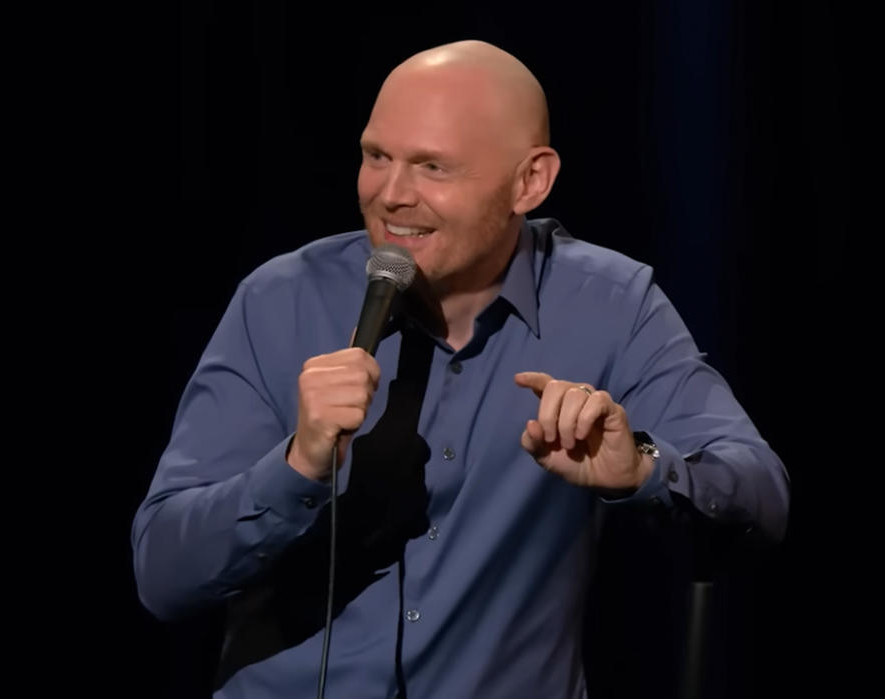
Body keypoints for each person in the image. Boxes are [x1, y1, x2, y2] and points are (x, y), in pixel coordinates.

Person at [132, 40, 790, 698]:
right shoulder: (279, 302)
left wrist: (641, 468)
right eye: (376, 156)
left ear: (530, 181)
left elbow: (759, 494)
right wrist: (296, 468)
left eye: (432, 168)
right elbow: (162, 572)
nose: (390, 195)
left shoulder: (611, 305)